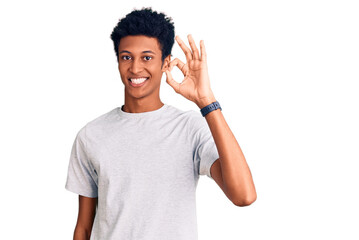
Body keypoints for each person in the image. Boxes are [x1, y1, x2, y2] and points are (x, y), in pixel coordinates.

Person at [65, 6, 257, 240]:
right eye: (127, 57)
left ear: (166, 63)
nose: (135, 68)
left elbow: (244, 195)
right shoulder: (91, 135)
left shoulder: (189, 128)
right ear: (117, 61)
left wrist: (206, 101)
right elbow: (84, 227)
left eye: (147, 57)